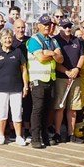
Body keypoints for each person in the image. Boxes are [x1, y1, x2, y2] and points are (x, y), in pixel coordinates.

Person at [27, 14, 63, 149]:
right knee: (38, 110)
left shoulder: (53, 41)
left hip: (51, 79)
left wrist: (51, 53)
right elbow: (41, 58)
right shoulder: (33, 40)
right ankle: (35, 138)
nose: (48, 27)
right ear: (39, 26)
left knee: (48, 110)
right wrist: (53, 54)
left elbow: (61, 59)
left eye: (49, 24)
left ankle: (45, 136)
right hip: (38, 80)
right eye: (45, 24)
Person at [0, 28, 29, 145]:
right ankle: (1, 135)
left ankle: (18, 136)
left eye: (10, 37)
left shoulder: (18, 52)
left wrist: (25, 85)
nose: (8, 40)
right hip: (0, 88)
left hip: (16, 88)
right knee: (2, 112)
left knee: (17, 112)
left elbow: (24, 70)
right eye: (5, 38)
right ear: (1, 40)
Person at [52, 18, 84, 143]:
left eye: (69, 26)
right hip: (61, 78)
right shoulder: (55, 41)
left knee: (73, 107)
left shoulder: (76, 40)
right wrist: (66, 71)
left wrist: (77, 68)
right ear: (59, 27)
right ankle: (57, 133)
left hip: (75, 77)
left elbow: (82, 56)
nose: (67, 29)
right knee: (60, 106)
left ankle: (71, 134)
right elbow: (55, 60)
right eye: (64, 27)